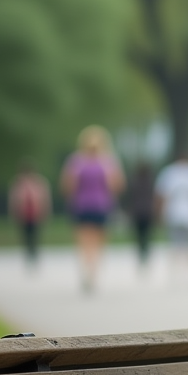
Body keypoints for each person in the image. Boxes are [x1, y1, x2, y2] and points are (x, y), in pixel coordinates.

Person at [60, 125, 124, 293]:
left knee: (84, 240)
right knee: (99, 241)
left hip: (81, 205)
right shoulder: (108, 162)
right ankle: (93, 272)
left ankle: (87, 270)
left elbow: (68, 185)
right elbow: (116, 185)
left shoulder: (76, 162)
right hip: (102, 205)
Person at [8, 161, 52, 268]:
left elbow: (45, 199)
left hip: (36, 213)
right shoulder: (18, 183)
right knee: (25, 235)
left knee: (35, 235)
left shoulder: (40, 182)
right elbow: (13, 200)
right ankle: (28, 254)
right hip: (23, 214)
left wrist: (46, 211)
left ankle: (34, 255)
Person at [126, 161, 157, 269]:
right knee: (147, 235)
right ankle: (145, 253)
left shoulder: (134, 182)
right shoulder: (151, 182)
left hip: (137, 211)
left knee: (139, 235)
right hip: (148, 211)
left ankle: (141, 254)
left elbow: (130, 198)